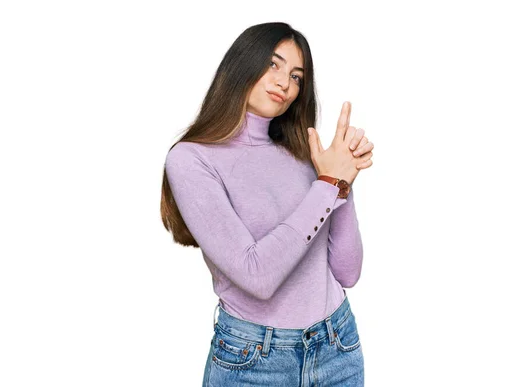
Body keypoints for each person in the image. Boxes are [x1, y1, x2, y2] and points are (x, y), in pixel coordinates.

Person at [160, 22, 374, 386]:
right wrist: (327, 184)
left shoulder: (304, 153)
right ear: (242, 64)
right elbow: (257, 276)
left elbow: (347, 273)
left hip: (337, 345)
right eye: (273, 65)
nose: (285, 83)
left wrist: (342, 184)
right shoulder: (191, 159)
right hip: (254, 361)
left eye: (296, 76)